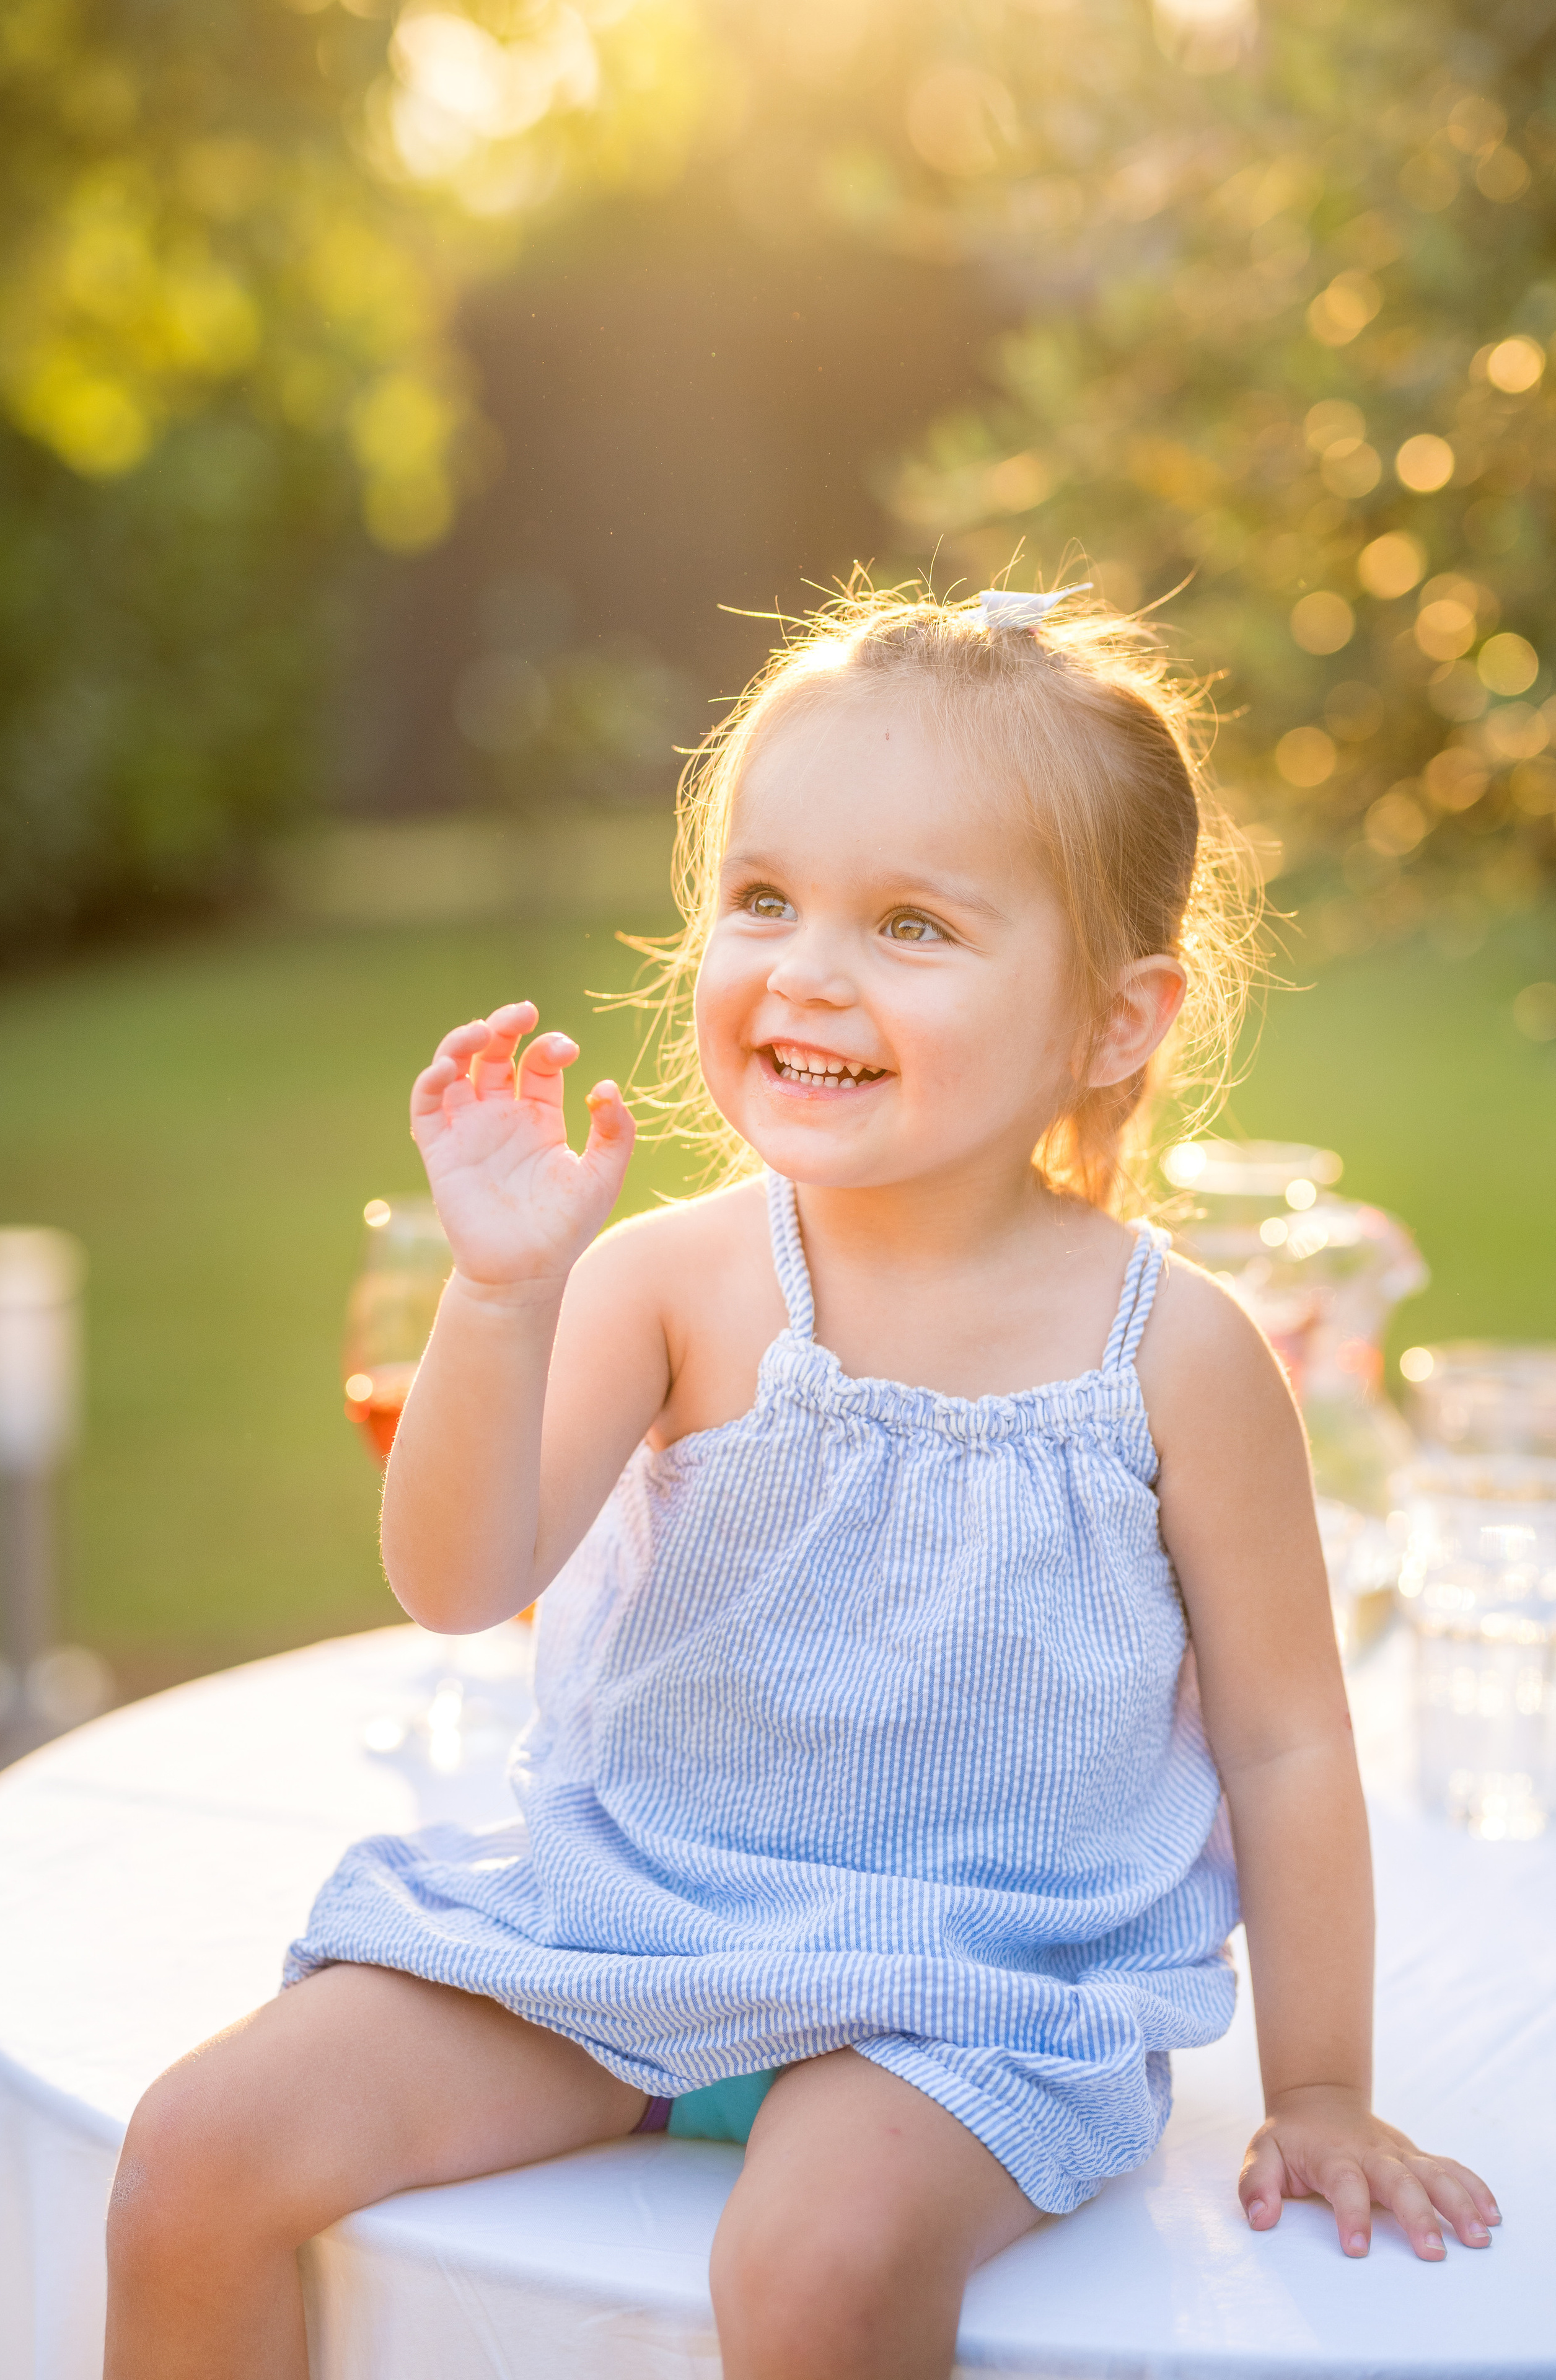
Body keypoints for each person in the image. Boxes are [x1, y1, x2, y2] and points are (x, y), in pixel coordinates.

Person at [104, 583, 1498, 2380]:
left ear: (1113, 1019)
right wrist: (503, 1294)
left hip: (968, 1990)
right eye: (765, 900)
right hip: (629, 1922)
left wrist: (1318, 2086)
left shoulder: (1180, 1352)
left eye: (912, 923)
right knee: (191, 2153)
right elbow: (456, 1576)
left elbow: (1290, 1743)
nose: (809, 969)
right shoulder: (675, 1281)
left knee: (822, 2267)